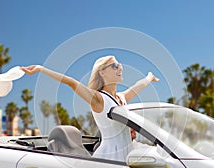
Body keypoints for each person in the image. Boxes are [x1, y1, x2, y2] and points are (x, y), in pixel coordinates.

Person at [21, 55, 159, 161]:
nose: (120, 68)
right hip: (110, 158)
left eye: (120, 65)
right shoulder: (99, 99)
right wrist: (40, 69)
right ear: (102, 72)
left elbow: (138, 86)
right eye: (114, 66)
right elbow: (72, 83)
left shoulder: (121, 98)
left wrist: (149, 77)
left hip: (128, 153)